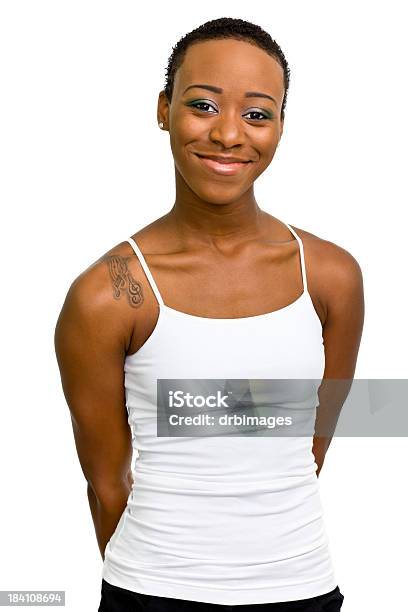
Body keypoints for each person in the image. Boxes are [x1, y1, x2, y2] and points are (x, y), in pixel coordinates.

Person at [54, 17, 364, 611]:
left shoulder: (330, 276)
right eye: (203, 105)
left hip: (304, 587)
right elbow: (105, 481)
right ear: (164, 109)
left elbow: (311, 443)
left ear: (279, 128)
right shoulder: (109, 293)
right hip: (153, 591)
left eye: (256, 113)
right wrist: (171, 576)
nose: (228, 135)